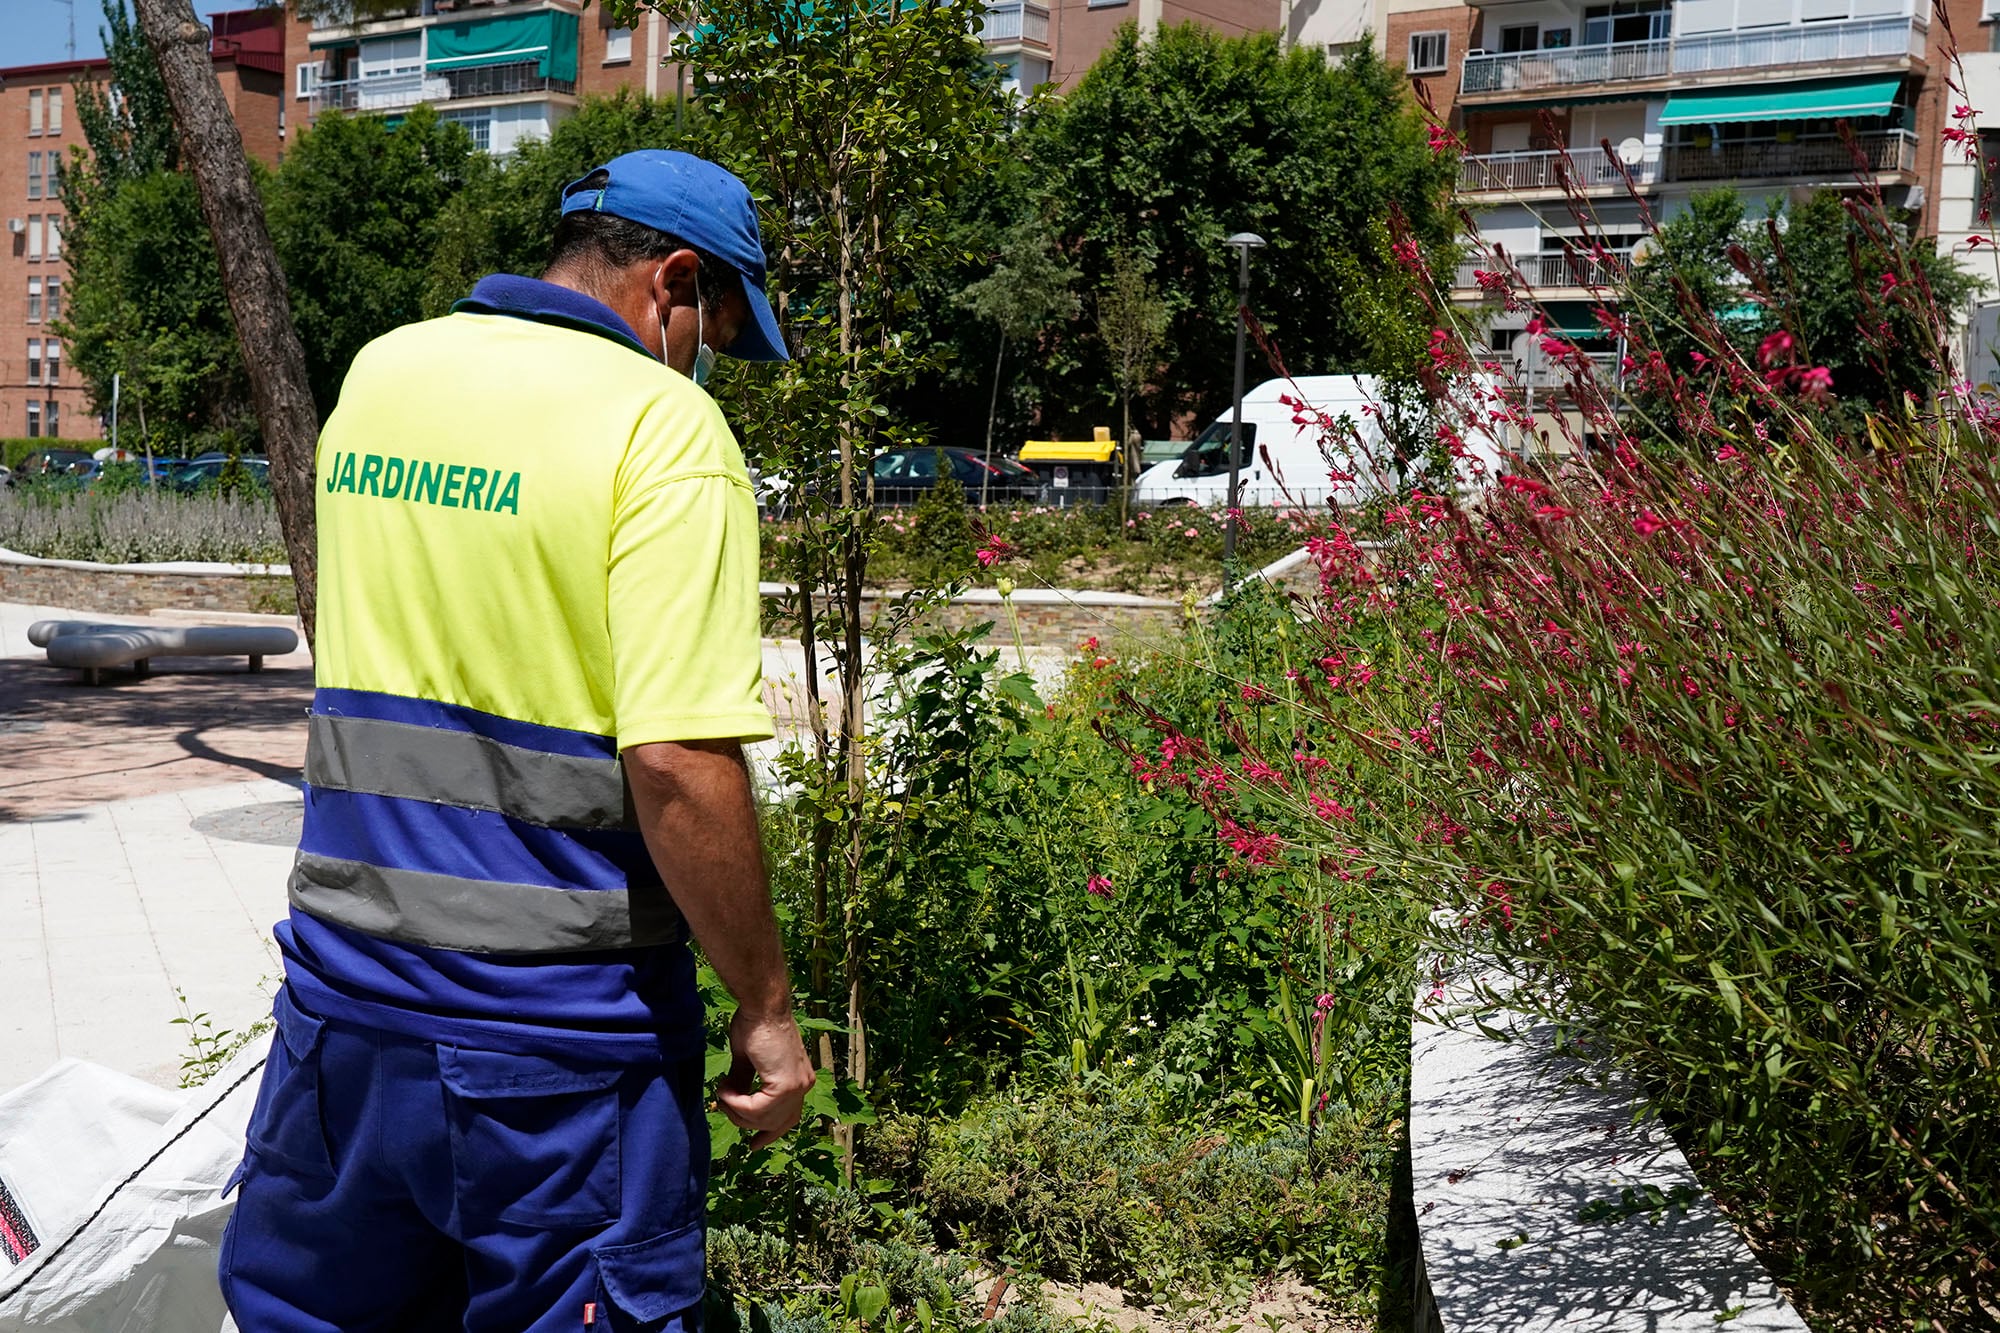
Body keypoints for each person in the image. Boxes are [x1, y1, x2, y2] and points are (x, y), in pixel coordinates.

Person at [219, 150, 815, 1332]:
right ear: (672, 279)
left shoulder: (383, 377)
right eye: (718, 331)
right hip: (556, 1057)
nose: (710, 366)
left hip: (342, 1019)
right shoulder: (664, 429)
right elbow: (676, 764)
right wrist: (763, 1006)